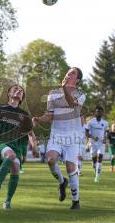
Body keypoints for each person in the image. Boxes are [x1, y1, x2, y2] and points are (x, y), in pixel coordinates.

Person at [33, 67, 86, 210]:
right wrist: (38, 119)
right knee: (50, 160)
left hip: (72, 137)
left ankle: (75, 201)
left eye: (73, 72)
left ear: (78, 80)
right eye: (68, 71)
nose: (69, 73)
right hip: (56, 134)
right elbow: (50, 115)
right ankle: (62, 182)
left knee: (70, 167)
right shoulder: (52, 94)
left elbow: (71, 103)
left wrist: (64, 87)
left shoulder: (80, 94)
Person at [86, 106, 109, 182]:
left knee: (100, 158)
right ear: (95, 112)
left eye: (100, 111)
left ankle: (97, 177)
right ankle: (95, 169)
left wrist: (105, 139)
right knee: (94, 161)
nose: (98, 112)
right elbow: (86, 132)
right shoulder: (91, 122)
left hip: (101, 143)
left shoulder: (105, 123)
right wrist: (92, 137)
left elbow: (107, 132)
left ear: (102, 113)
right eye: (97, 111)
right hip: (93, 143)